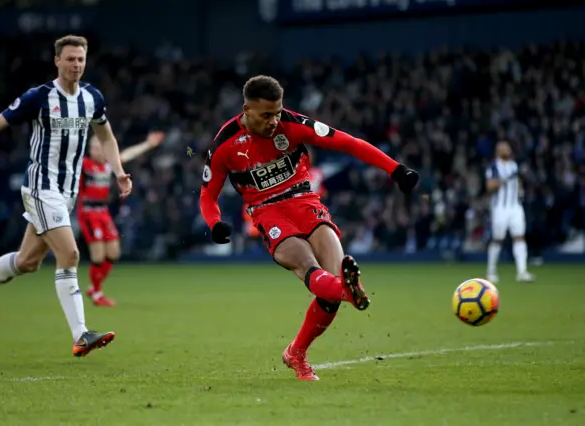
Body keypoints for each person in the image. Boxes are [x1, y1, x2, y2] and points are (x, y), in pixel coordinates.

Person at [199, 75, 419, 380]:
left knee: (330, 286)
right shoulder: (224, 145)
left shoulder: (293, 124)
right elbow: (208, 195)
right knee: (307, 266)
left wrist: (395, 169)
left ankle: (297, 351)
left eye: (277, 112)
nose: (274, 121)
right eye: (266, 115)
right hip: (267, 212)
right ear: (246, 109)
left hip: (305, 201)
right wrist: (215, 224)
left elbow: (348, 143)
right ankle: (348, 290)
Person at [0, 35, 132, 357]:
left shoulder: (93, 98)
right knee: (71, 254)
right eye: (70, 59)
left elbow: (106, 137)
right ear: (57, 61)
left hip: (67, 192)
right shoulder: (39, 97)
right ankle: (81, 335)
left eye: (80, 59)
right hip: (40, 187)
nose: (76, 65)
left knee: (27, 262)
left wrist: (118, 170)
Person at [79, 131, 164, 306]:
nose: (97, 150)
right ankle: (96, 292)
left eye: (100, 147)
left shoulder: (109, 166)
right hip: (88, 212)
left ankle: (95, 288)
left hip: (103, 212)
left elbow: (128, 154)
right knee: (98, 255)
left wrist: (148, 144)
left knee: (114, 252)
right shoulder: (83, 165)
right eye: (93, 147)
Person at [485, 141, 534, 283]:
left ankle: (522, 271)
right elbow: (490, 186)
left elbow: (517, 183)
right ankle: (491, 271)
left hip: (515, 206)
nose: (507, 150)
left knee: (519, 237)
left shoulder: (514, 166)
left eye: (508, 148)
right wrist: (503, 180)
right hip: (500, 207)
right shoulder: (493, 166)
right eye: (504, 149)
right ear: (498, 151)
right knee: (497, 239)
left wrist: (520, 190)